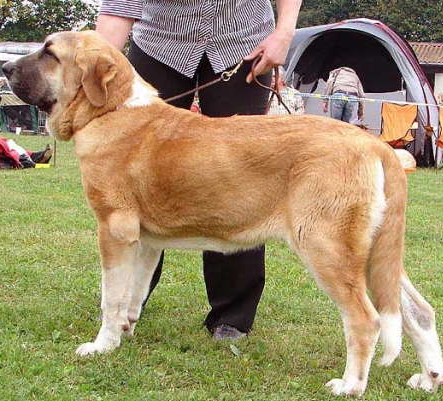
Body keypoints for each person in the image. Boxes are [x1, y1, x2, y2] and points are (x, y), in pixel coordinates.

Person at [96, 0, 302, 341]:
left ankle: (232, 315)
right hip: (160, 44)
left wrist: (284, 32)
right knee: (138, 178)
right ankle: (125, 303)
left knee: (238, 178)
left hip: (245, 43)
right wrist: (94, 64)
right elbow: (119, 9)